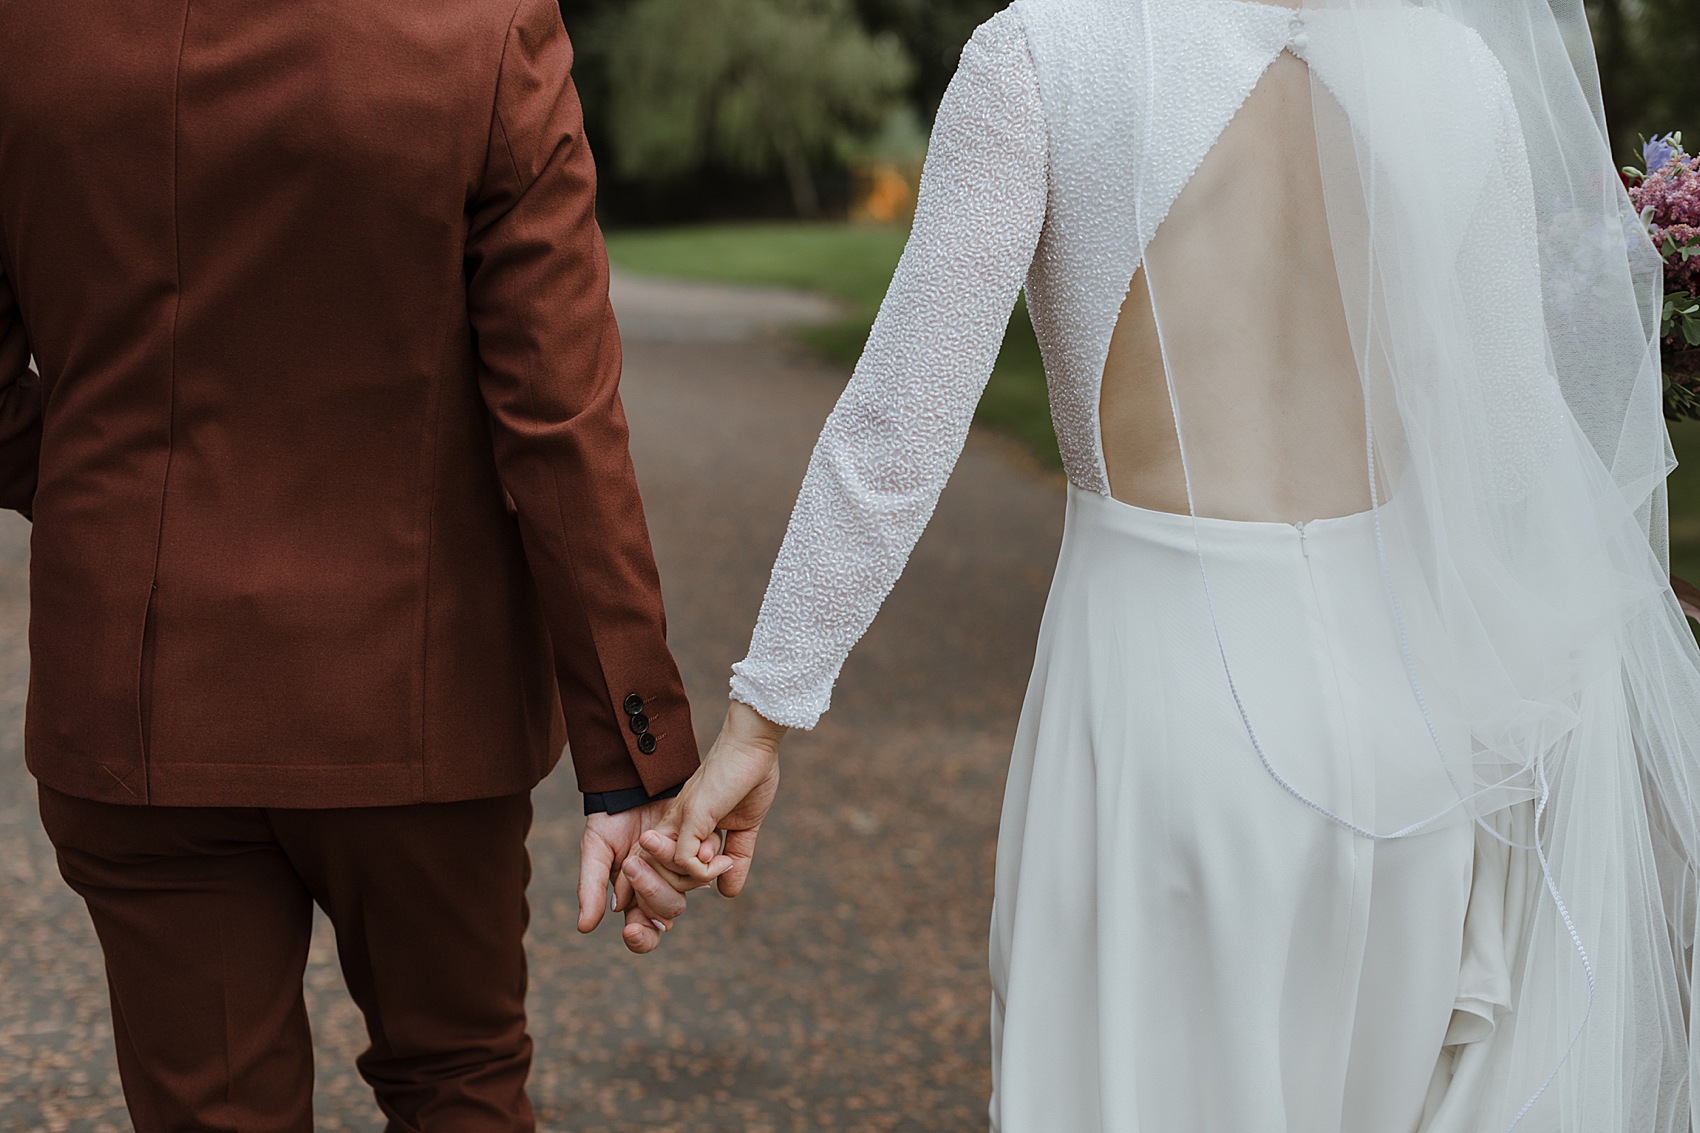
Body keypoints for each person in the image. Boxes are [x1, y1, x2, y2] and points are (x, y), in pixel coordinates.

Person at [638, 0, 1700, 1128]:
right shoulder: (1455, 77)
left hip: (1166, 720)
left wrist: (763, 716)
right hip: (1418, 744)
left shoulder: (1041, 58)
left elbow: (897, 429)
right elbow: (1513, 462)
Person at [0, 1, 710, 1129]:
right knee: (456, 1086)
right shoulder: (485, 27)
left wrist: (120, 515)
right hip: (417, 698)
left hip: (141, 702)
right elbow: (560, 416)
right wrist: (635, 756)